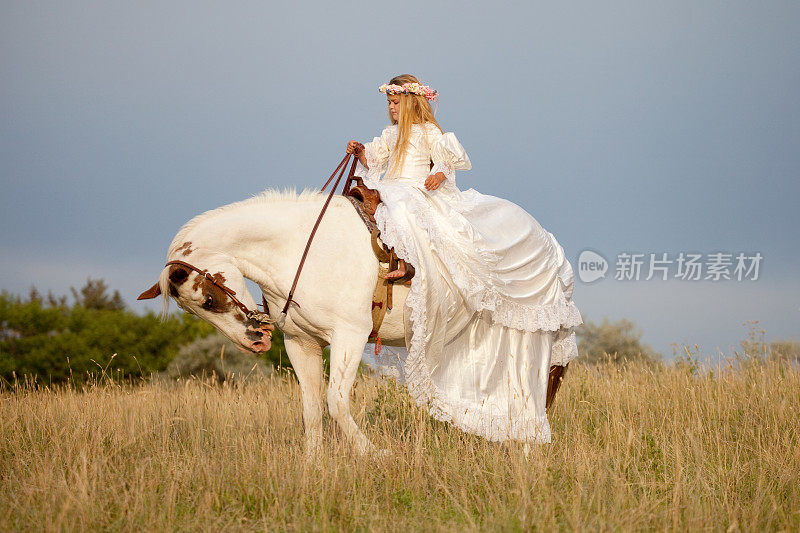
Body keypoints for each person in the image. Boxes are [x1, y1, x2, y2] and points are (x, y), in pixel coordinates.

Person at [345, 74, 582, 443]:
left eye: (396, 103)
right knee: (385, 205)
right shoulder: (390, 137)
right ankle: (393, 257)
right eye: (388, 103)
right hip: (394, 186)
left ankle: (407, 262)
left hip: (417, 191)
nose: (391, 109)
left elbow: (448, 162)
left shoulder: (428, 133)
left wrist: (439, 174)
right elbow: (376, 159)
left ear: (410, 104)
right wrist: (361, 153)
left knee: (404, 211)